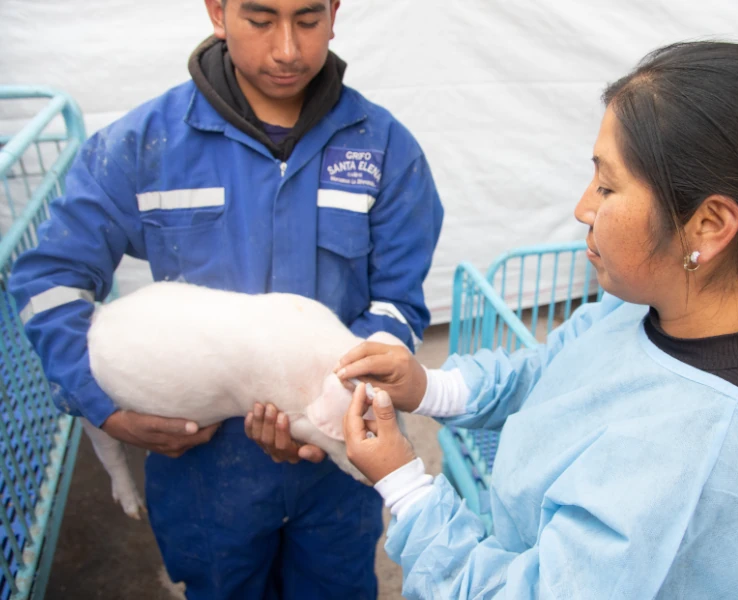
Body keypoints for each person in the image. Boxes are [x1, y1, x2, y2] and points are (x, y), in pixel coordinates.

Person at [328, 41, 738, 598]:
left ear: (708, 225)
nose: (583, 207)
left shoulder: (703, 458)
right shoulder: (652, 308)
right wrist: (431, 387)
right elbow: (551, 373)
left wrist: (405, 486)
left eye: (607, 185)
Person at [9, 0, 443, 598]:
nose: (288, 49)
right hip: (205, 469)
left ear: (336, 11)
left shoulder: (384, 150)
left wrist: (334, 397)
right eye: (261, 21)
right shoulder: (145, 143)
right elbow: (50, 277)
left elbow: (398, 301)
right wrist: (100, 403)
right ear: (217, 11)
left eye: (309, 20)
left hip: (336, 461)